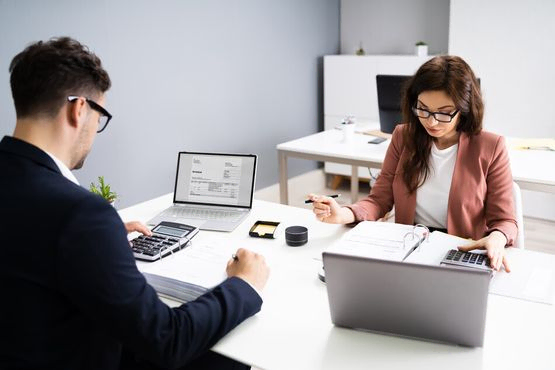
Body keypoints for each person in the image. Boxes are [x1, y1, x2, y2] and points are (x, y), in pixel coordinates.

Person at [0, 37, 269, 370]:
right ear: (79, 109)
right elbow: (168, 339)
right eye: (100, 116)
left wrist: (100, 242)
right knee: (227, 358)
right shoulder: (81, 214)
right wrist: (243, 283)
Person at [309, 55, 517, 272]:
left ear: (464, 109)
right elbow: (379, 199)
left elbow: (504, 220)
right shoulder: (403, 136)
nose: (432, 121)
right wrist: (343, 213)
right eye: (423, 109)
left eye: (444, 113)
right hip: (408, 248)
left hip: (460, 252)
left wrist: (498, 237)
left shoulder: (491, 146)